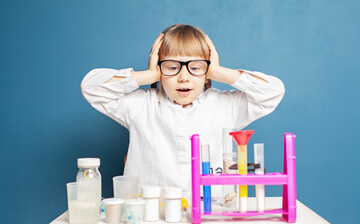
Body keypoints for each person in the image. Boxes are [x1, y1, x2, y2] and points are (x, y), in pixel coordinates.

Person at [81, 24, 285, 199]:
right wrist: (149, 75)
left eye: (196, 68)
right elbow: (91, 87)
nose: (184, 77)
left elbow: (273, 92)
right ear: (159, 70)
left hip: (211, 214)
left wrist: (218, 72)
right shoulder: (140, 105)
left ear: (207, 72)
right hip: (151, 216)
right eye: (171, 67)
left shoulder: (224, 106)